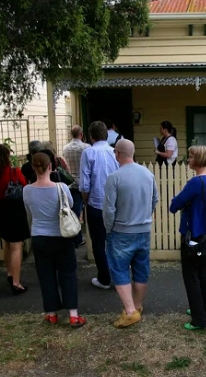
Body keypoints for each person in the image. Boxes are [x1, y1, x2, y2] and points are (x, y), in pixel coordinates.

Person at [23, 152, 86, 327]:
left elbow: (29, 212)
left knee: (46, 275)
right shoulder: (61, 188)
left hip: (39, 237)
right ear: (50, 166)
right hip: (61, 235)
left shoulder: (27, 190)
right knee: (67, 273)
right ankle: (73, 314)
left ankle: (51, 313)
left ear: (33, 167)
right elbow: (71, 205)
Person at [103, 140, 159, 328]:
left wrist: (109, 228)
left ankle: (129, 311)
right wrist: (144, 215)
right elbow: (155, 199)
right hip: (143, 229)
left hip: (120, 231)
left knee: (119, 269)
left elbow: (109, 209)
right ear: (133, 153)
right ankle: (137, 305)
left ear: (117, 153)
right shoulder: (148, 174)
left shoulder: (114, 177)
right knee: (141, 269)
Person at [169, 145, 206, 330]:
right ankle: (202, 310)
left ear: (197, 160)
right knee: (202, 274)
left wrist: (182, 202)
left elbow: (175, 204)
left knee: (191, 277)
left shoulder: (195, 183)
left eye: (190, 157)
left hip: (193, 235)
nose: (188, 160)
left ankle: (199, 320)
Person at [80, 121, 120, 289]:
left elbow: (84, 184)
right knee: (115, 241)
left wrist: (85, 201)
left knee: (98, 242)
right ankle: (119, 276)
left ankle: (104, 278)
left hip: (95, 203)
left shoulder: (88, 153)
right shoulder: (115, 152)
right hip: (115, 203)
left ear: (91, 136)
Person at [0, 143, 29, 295]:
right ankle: (16, 283)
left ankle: (9, 273)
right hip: (15, 209)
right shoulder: (13, 171)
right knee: (17, 246)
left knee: (7, 243)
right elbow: (24, 184)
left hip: (0, 208)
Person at [62, 125, 90, 247]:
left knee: (74, 211)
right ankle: (80, 238)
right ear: (81, 134)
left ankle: (75, 236)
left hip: (70, 183)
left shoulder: (65, 148)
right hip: (83, 182)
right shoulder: (86, 147)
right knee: (86, 210)